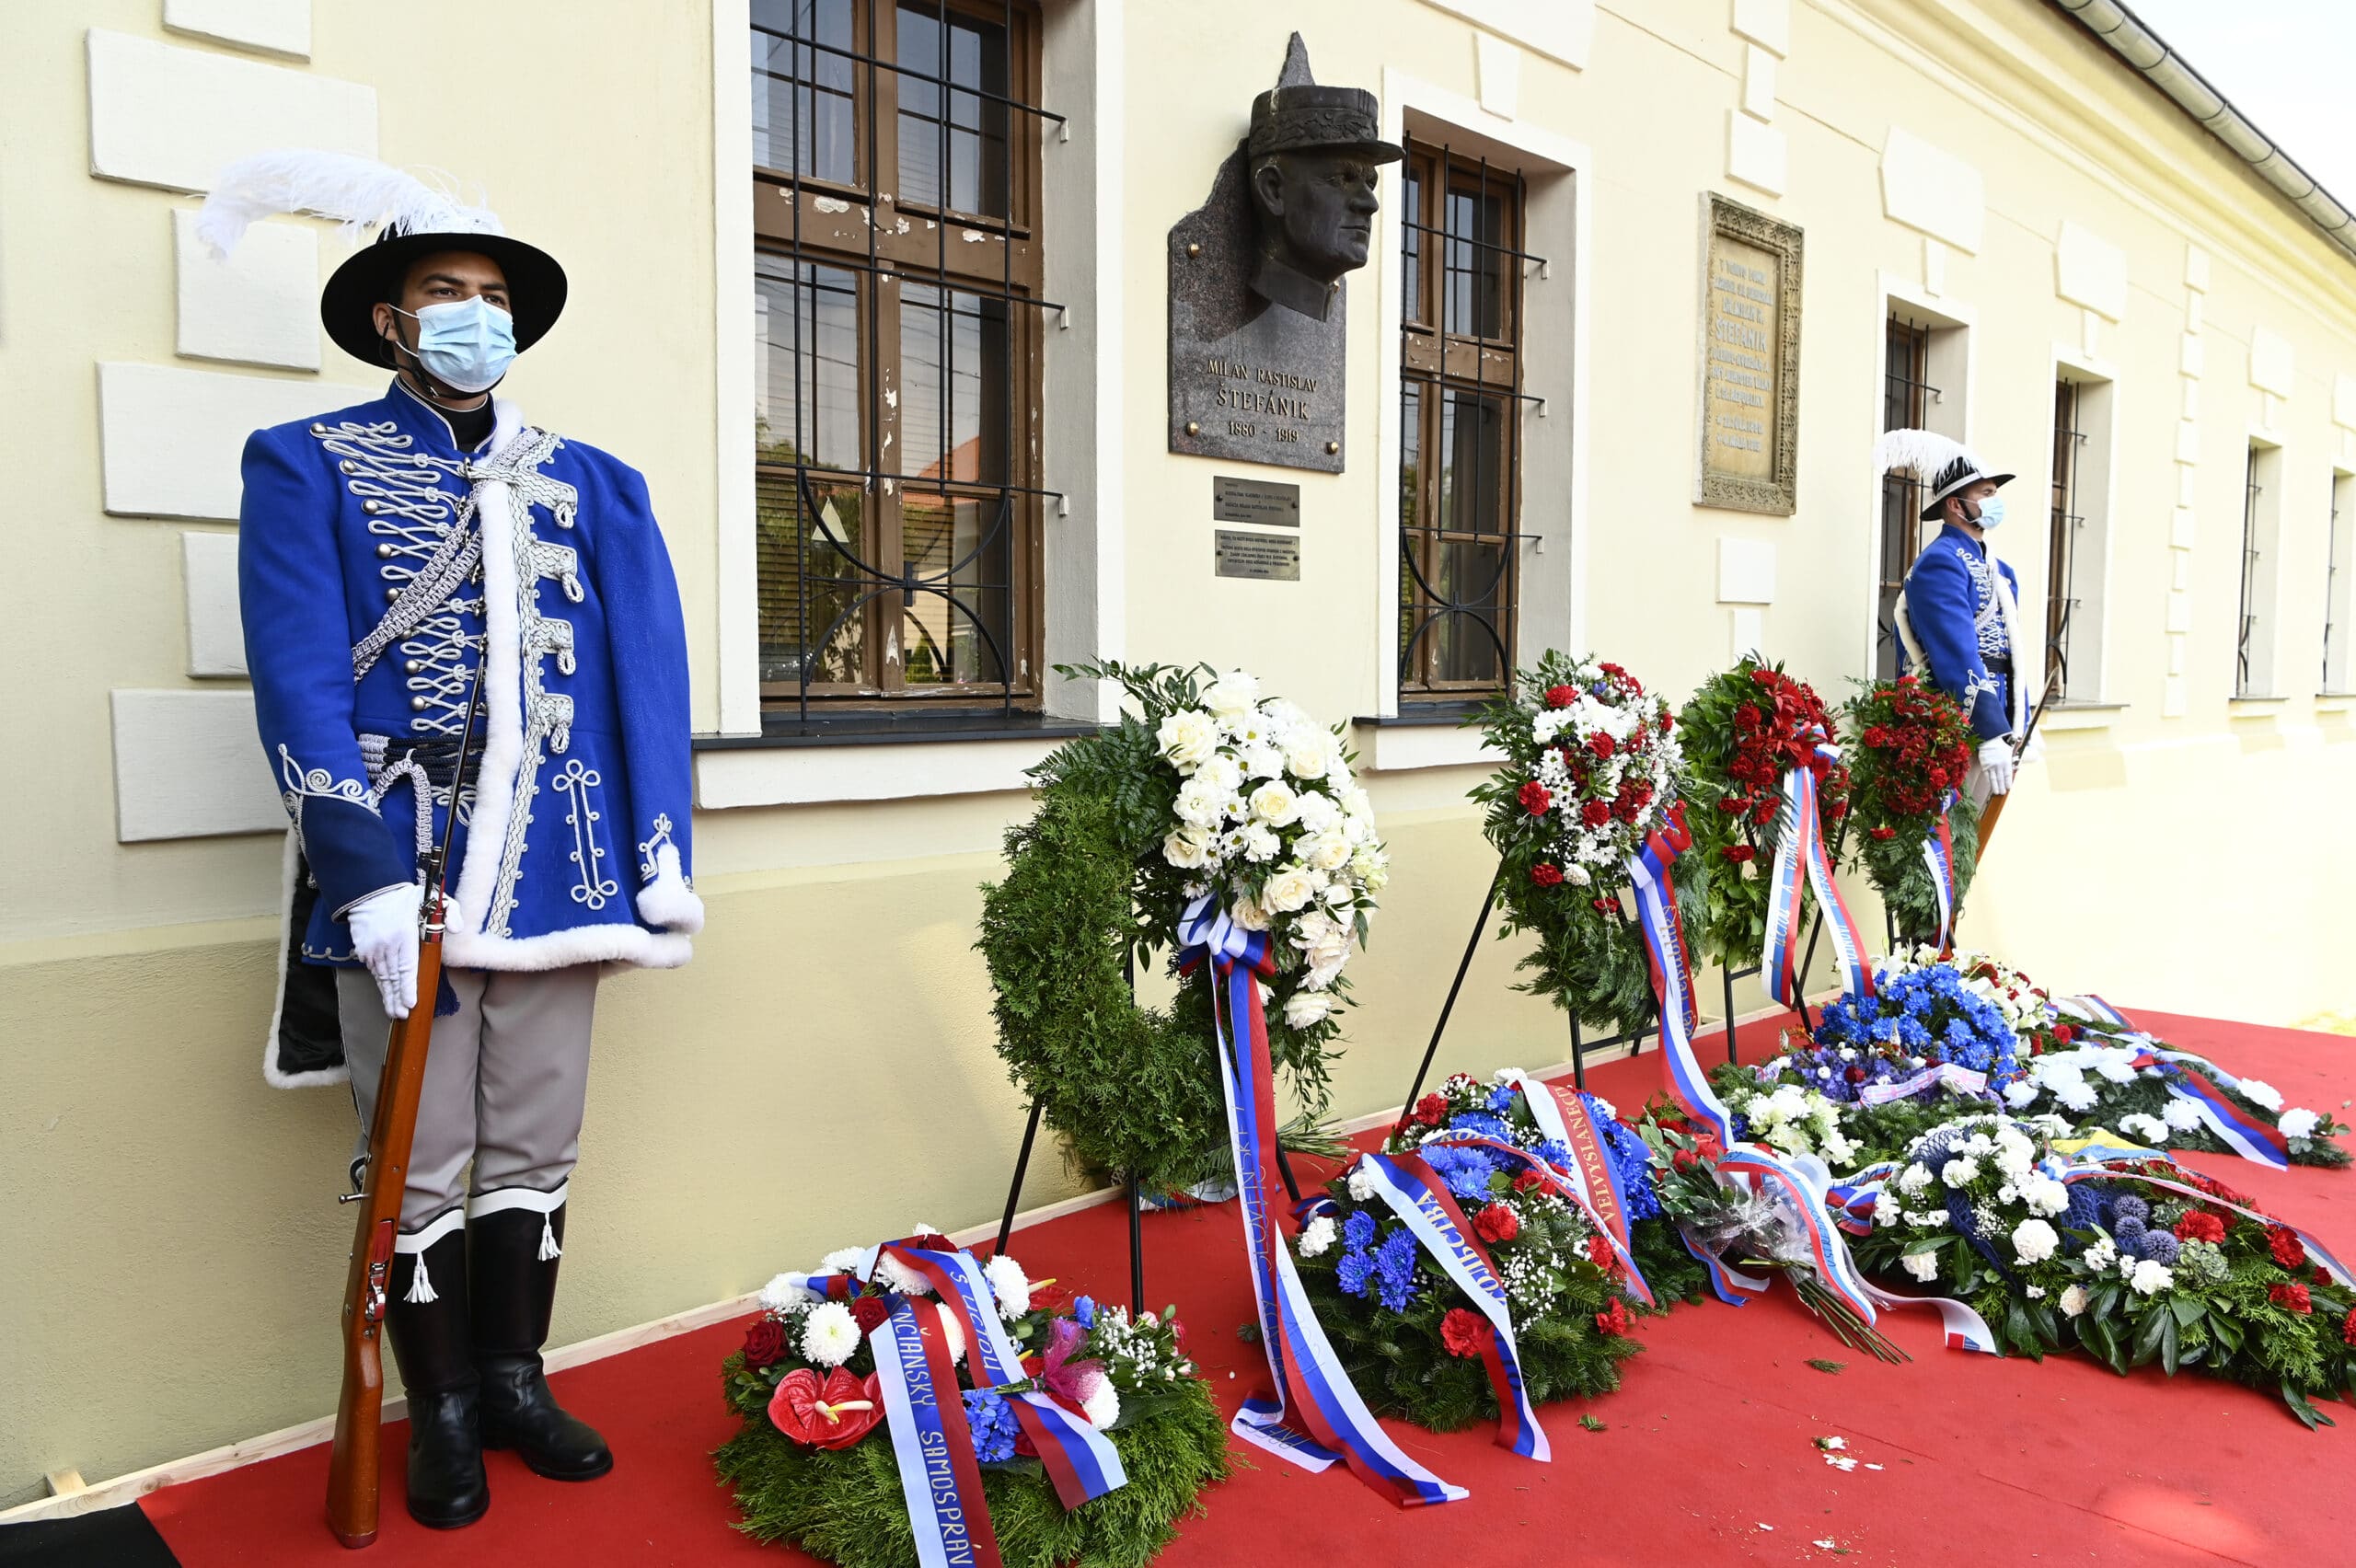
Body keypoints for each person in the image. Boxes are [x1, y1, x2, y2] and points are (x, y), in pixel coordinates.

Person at [201, 152, 702, 1529]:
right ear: (390, 319)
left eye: (493, 295)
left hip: (560, 865)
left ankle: (516, 1382)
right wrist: (360, 876)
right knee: (418, 1153)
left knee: (535, 1140)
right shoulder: (305, 462)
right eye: (444, 290)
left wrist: (659, 856)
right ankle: (441, 1414)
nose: (475, 313)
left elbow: (648, 681)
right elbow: (298, 676)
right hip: (401, 861)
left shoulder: (595, 484)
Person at [1877, 429, 2041, 809]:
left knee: (1977, 833)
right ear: (1955, 504)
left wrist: (2019, 722)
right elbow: (1955, 653)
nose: (1994, 501)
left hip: (1998, 721)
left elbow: (2010, 651)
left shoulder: (2001, 570)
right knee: (1950, 833)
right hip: (1957, 723)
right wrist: (1989, 730)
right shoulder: (1941, 562)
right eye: (1986, 493)